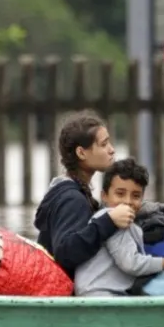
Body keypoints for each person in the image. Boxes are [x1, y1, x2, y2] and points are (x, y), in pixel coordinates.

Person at [74, 158, 164, 297]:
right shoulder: (114, 218)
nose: (128, 201)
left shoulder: (112, 218)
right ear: (104, 196)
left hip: (97, 290)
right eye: (120, 193)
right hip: (99, 294)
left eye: (136, 196)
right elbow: (132, 264)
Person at [33, 111, 130, 279]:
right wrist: (108, 221)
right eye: (104, 144)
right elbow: (65, 253)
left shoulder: (73, 191)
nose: (112, 150)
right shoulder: (72, 199)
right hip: (61, 293)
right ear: (81, 153)